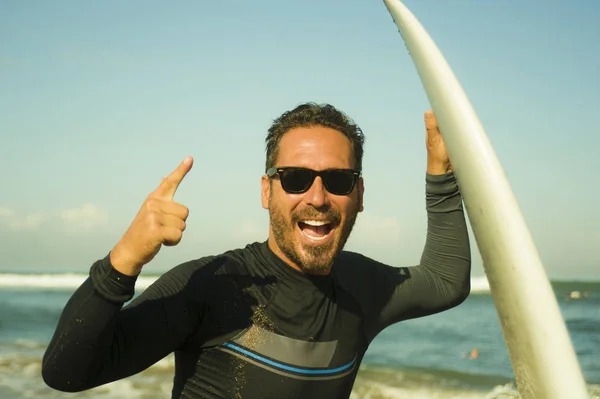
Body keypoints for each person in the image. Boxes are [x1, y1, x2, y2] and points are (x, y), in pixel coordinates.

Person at [41, 103, 471, 399]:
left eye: (338, 180)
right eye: (296, 178)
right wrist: (123, 262)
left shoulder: (364, 289)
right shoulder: (214, 287)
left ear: (359, 194)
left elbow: (445, 282)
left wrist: (442, 174)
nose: (318, 198)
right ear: (267, 191)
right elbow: (67, 372)